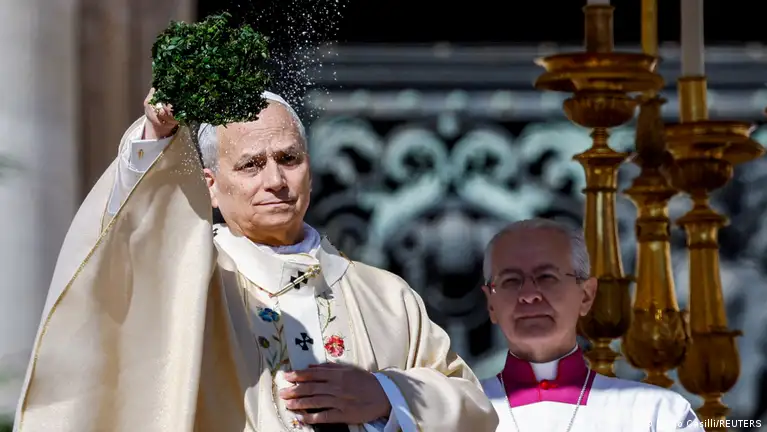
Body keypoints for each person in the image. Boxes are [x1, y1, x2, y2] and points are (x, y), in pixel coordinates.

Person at [14, 89, 498, 432]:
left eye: (289, 159)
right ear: (210, 186)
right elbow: (121, 248)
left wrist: (386, 396)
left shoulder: (385, 296)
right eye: (250, 165)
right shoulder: (189, 282)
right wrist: (156, 137)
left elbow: (474, 407)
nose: (275, 181)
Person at [479, 218, 705, 432]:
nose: (529, 295)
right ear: (491, 303)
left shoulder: (660, 413)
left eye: (547, 277)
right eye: (510, 281)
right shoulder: (464, 407)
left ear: (586, 295)